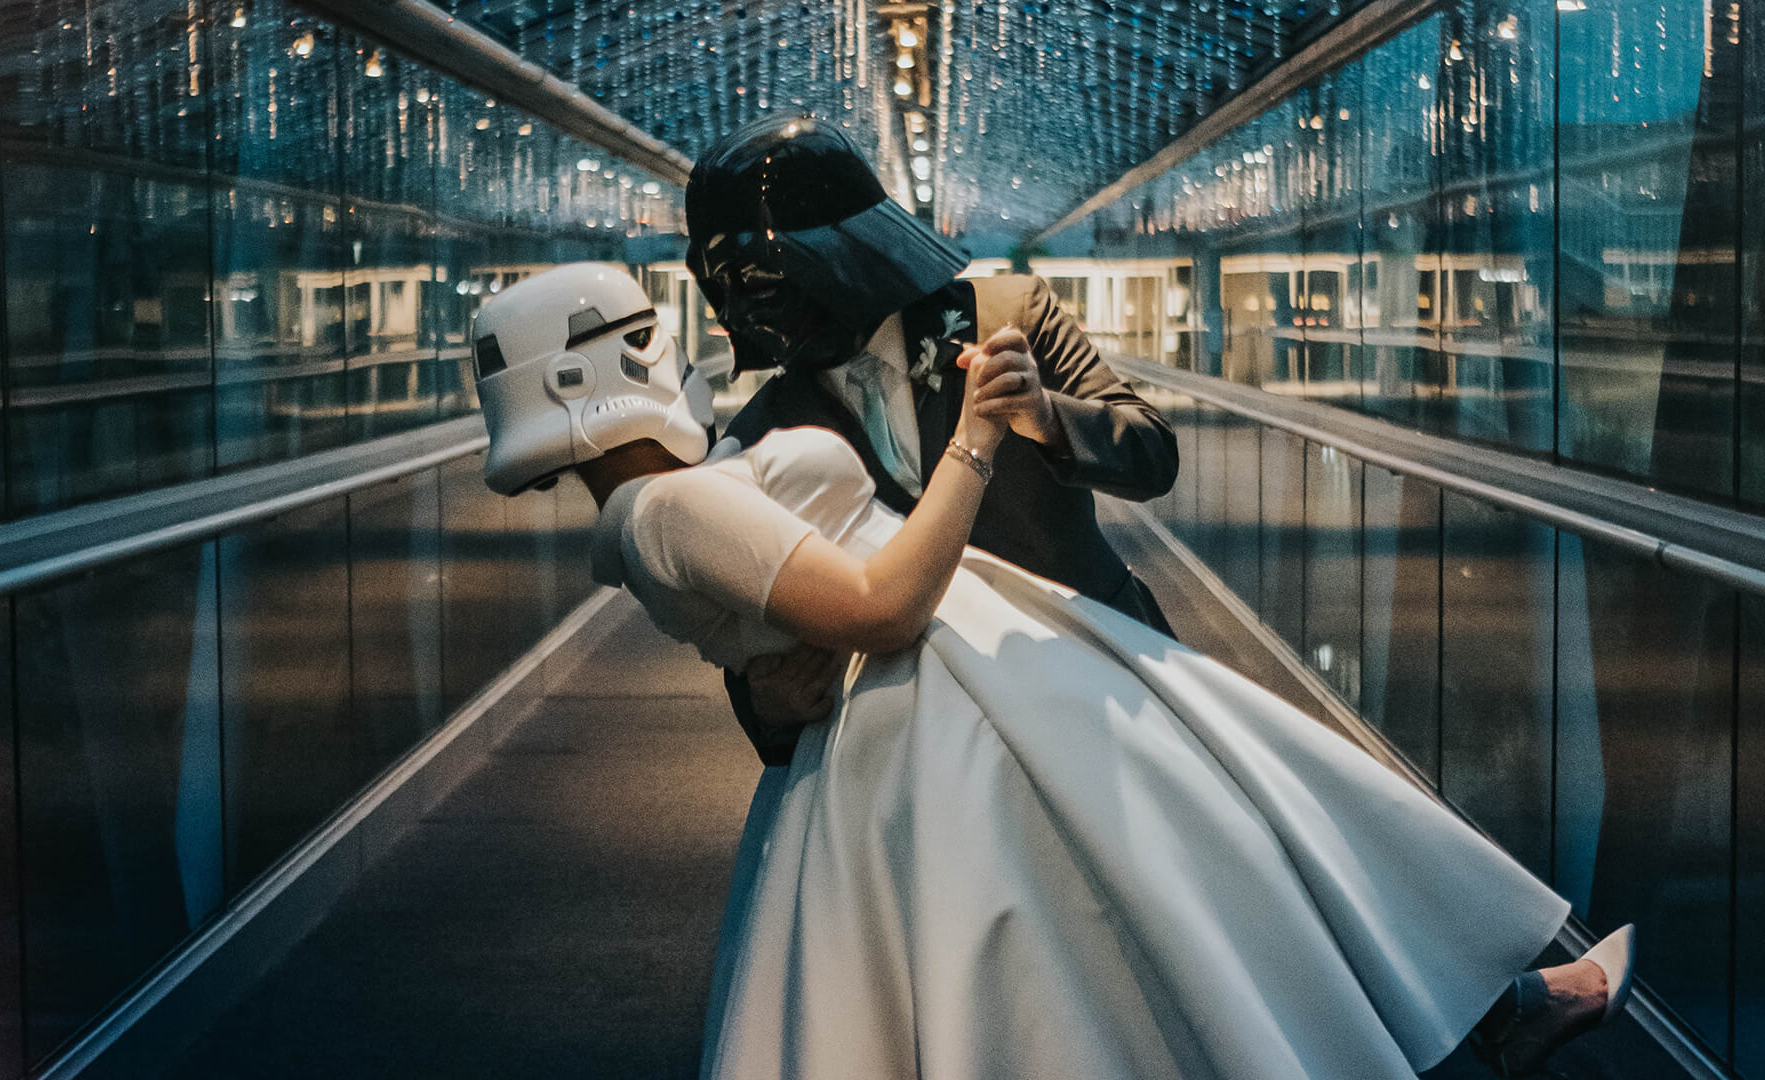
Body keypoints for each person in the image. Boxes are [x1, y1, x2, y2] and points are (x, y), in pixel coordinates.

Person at [469, 261, 1636, 1080]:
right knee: (1211, 871)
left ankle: (1501, 1009)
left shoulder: (676, 493)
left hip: (975, 697)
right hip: (952, 706)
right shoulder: (672, 502)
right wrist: (976, 439)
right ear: (585, 374)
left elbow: (1137, 453)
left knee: (1164, 901)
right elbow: (874, 607)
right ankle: (1501, 1010)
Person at [684, 114, 1180, 766]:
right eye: (738, 292)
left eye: (771, 284)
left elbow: (1152, 455)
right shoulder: (763, 432)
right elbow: (762, 627)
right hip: (930, 744)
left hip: (1101, 683)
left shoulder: (1012, 315)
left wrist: (1045, 415)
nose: (754, 314)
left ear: (846, 255)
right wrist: (766, 706)